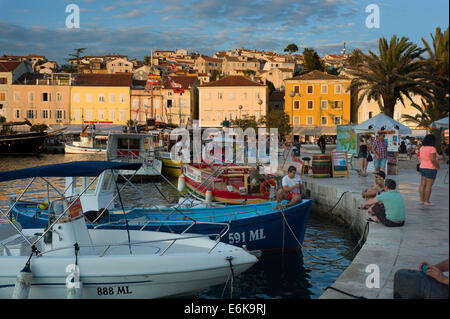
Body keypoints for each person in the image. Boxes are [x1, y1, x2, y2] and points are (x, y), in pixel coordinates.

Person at [417, 134, 440, 206]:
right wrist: (437, 166)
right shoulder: (432, 148)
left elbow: (419, 157)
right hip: (430, 168)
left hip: (422, 167)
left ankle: (422, 200)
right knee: (429, 185)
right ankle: (427, 201)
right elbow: (433, 159)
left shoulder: (422, 148)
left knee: (423, 184)